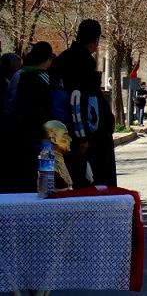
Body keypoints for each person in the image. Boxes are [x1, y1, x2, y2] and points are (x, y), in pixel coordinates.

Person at [49, 19, 116, 188]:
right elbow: (76, 100)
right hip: (87, 138)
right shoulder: (81, 61)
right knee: (92, 184)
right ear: (95, 41)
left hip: (76, 133)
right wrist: (82, 138)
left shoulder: (65, 57)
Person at [2, 41, 53, 193]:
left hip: (16, 136)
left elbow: (9, 107)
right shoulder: (42, 77)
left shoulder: (19, 74)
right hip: (37, 137)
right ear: (47, 59)